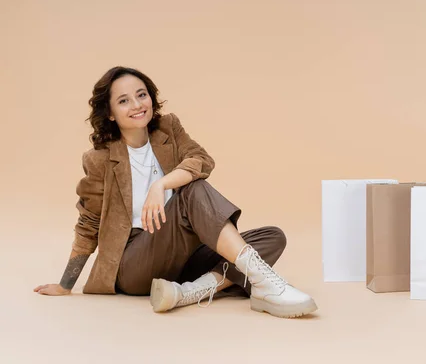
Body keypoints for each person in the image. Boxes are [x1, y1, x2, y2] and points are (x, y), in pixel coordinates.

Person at [33, 66, 317, 319]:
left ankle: (187, 292)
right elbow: (89, 224)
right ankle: (265, 285)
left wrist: (162, 184)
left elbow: (201, 160)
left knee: (271, 237)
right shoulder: (99, 159)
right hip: (134, 262)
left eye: (141, 94)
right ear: (110, 113)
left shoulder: (168, 127)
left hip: (183, 256)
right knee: (193, 190)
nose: (136, 105)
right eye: (123, 100)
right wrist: (65, 284)